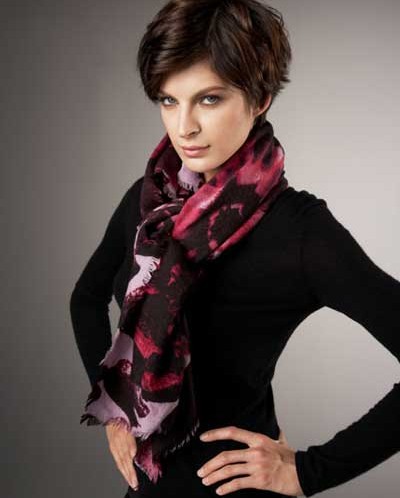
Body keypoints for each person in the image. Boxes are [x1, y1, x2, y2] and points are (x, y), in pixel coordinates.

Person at [69, 1, 400, 497]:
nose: (184, 127)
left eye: (209, 99)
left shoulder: (300, 231)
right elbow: (86, 299)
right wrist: (117, 413)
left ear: (260, 98)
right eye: (168, 100)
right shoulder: (150, 205)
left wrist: (308, 472)